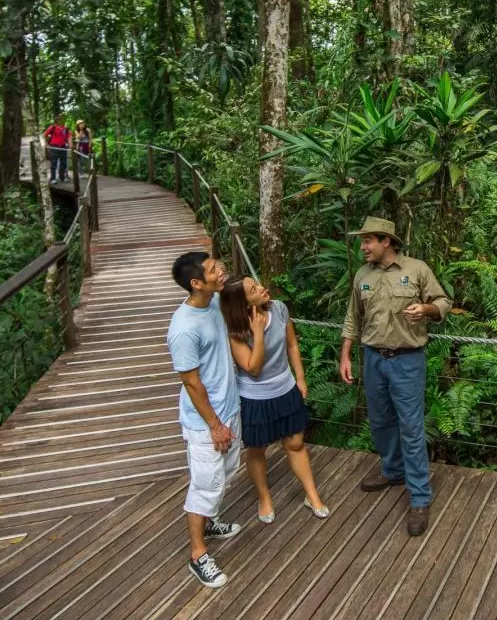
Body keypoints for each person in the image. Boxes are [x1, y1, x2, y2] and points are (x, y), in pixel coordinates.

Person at [338, 217, 451, 536]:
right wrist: (345, 355)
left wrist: (426, 310)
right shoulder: (362, 274)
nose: (362, 247)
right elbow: (352, 318)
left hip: (407, 360)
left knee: (411, 427)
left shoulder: (416, 269)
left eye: (367, 241)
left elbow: (443, 302)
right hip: (373, 358)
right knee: (380, 421)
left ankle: (419, 497)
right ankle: (393, 470)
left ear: (386, 241)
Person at [219, 275, 329, 523]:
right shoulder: (236, 330)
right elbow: (253, 368)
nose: (262, 288)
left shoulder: (279, 309)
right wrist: (257, 333)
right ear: (243, 303)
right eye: (253, 289)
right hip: (254, 397)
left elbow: (291, 344)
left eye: (257, 283)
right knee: (257, 449)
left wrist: (300, 378)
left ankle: (312, 495)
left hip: (285, 389)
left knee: (296, 443)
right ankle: (264, 498)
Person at [166, 252, 243, 589]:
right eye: (214, 269)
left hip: (229, 407)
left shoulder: (211, 302)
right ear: (196, 282)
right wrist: (215, 426)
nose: (221, 269)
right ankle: (198, 555)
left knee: (226, 473)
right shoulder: (183, 330)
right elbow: (192, 383)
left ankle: (209, 522)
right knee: (204, 486)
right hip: (206, 422)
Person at [42, 114, 71, 184]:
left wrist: (70, 145)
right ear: (56, 120)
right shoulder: (53, 127)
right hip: (54, 147)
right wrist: (46, 143)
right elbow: (45, 134)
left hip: (63, 147)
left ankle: (62, 177)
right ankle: (53, 178)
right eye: (58, 119)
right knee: (54, 163)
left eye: (61, 119)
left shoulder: (65, 128)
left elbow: (69, 137)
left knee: (63, 163)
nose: (60, 120)